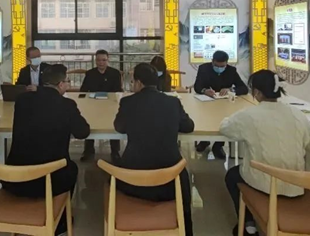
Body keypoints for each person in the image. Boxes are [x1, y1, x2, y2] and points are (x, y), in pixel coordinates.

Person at [221, 70, 310, 236]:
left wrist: (226, 119)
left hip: (264, 183)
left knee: (232, 175)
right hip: (296, 183)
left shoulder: (248, 115)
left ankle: (248, 224)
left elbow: (226, 129)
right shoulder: (298, 115)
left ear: (257, 92)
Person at [4, 64, 90, 236]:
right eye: (67, 81)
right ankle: (60, 220)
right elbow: (82, 132)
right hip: (52, 180)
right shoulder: (66, 104)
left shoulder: (23, 100)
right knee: (72, 169)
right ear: (61, 84)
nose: (68, 84)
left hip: (16, 178)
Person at [114, 63, 194, 236]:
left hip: (133, 181)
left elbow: (119, 127)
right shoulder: (172, 102)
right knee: (183, 177)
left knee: (109, 177)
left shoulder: (127, 102)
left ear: (139, 83)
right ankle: (184, 228)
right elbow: (189, 126)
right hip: (169, 180)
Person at [194, 50, 248, 159]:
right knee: (207, 120)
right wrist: (205, 90)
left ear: (226, 63)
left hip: (225, 104)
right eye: (216, 66)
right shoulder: (204, 68)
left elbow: (244, 88)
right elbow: (197, 86)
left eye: (222, 66)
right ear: (212, 61)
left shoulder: (231, 71)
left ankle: (218, 145)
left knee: (224, 121)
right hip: (208, 103)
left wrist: (231, 90)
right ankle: (205, 140)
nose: (219, 68)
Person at [80, 50, 123, 162]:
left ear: (108, 60)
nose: (101, 63)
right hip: (93, 104)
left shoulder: (115, 73)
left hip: (110, 105)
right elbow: (83, 90)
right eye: (98, 60)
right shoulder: (90, 73)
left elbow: (118, 90)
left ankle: (115, 151)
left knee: (112, 125)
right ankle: (88, 150)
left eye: (104, 60)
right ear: (95, 61)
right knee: (89, 124)